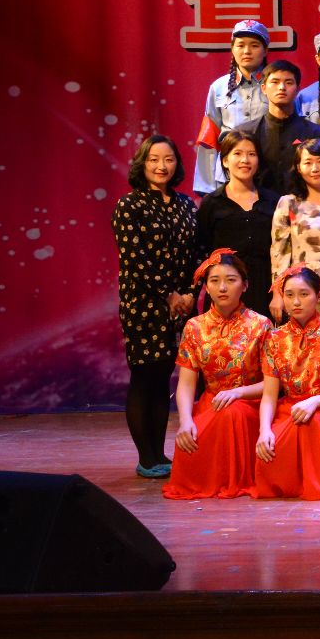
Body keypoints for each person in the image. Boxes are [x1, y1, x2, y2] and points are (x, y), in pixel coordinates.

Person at [114, 134, 200, 479]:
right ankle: (146, 457)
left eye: (168, 159)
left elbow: (197, 254)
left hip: (180, 307)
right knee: (144, 375)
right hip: (144, 304)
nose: (162, 166)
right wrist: (169, 295)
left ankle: (160, 453)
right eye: (154, 159)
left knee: (164, 375)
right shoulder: (129, 205)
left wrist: (190, 293)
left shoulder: (185, 205)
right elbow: (135, 260)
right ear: (142, 163)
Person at [163, 250, 271, 500]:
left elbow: (272, 385)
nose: (222, 287)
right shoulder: (194, 327)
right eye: (214, 281)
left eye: (231, 280)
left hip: (250, 404)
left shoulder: (261, 325)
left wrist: (238, 392)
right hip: (211, 404)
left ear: (244, 285)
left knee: (233, 413)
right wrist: (185, 420)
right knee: (189, 442)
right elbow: (186, 384)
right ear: (207, 287)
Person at [252, 267, 320, 500]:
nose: (296, 302)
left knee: (312, 422)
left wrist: (314, 402)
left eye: (304, 294)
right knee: (268, 458)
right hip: (289, 409)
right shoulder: (275, 338)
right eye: (289, 295)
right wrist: (264, 429)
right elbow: (269, 395)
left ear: (318, 296)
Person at [196, 130, 278, 318]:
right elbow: (201, 250)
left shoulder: (274, 201)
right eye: (238, 153)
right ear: (225, 160)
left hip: (265, 291)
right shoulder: (211, 203)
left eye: (251, 154)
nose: (245, 160)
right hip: (224, 291)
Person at [269, 137, 320, 323]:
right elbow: (279, 253)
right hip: (299, 291)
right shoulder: (288, 203)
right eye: (308, 162)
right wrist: (277, 294)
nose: (315, 168)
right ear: (298, 167)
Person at [194, 19, 269, 194]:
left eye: (254, 45)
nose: (247, 51)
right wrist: (206, 187)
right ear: (232, 49)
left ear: (266, 50)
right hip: (228, 176)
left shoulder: (276, 86)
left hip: (268, 173)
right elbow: (209, 138)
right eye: (240, 45)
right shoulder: (218, 88)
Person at [245, 59, 320, 194]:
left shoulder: (316, 134)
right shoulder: (248, 133)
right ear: (263, 88)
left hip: (303, 204)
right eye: (275, 82)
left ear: (297, 89)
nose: (282, 87)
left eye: (288, 82)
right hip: (257, 204)